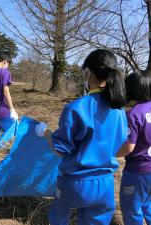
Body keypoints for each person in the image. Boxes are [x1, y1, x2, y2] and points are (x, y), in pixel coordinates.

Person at [35, 49, 127, 225]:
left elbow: (59, 150)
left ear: (87, 72)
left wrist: (45, 132)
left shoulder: (76, 107)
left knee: (58, 219)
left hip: (76, 182)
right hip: (106, 184)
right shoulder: (120, 111)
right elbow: (120, 145)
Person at [117, 71, 151, 225]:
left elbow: (128, 147)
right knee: (147, 201)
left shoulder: (133, 114)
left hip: (140, 172)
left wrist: (109, 155)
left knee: (131, 208)